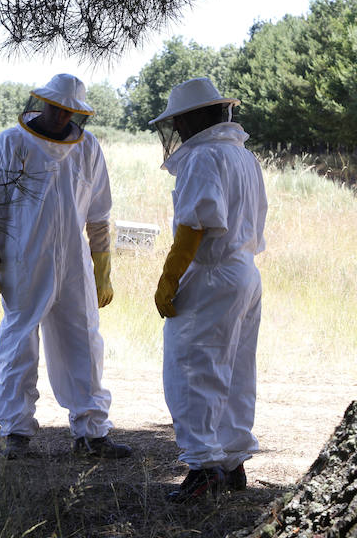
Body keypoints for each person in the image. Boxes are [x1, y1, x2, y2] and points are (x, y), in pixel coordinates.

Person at [0, 73, 131, 460]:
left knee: (85, 341)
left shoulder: (88, 146)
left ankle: (92, 434)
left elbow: (99, 214)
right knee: (20, 344)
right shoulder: (11, 143)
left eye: (70, 111)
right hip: (23, 259)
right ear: (41, 102)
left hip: (75, 264)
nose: (62, 117)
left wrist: (102, 266)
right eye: (57, 108)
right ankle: (16, 433)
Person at [149, 77, 267, 501]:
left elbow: (195, 223)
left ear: (197, 118)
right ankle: (232, 463)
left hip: (213, 274)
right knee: (234, 370)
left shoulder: (202, 157)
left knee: (191, 368)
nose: (176, 131)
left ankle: (204, 469)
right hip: (245, 274)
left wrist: (170, 276)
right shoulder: (244, 157)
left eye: (179, 122)